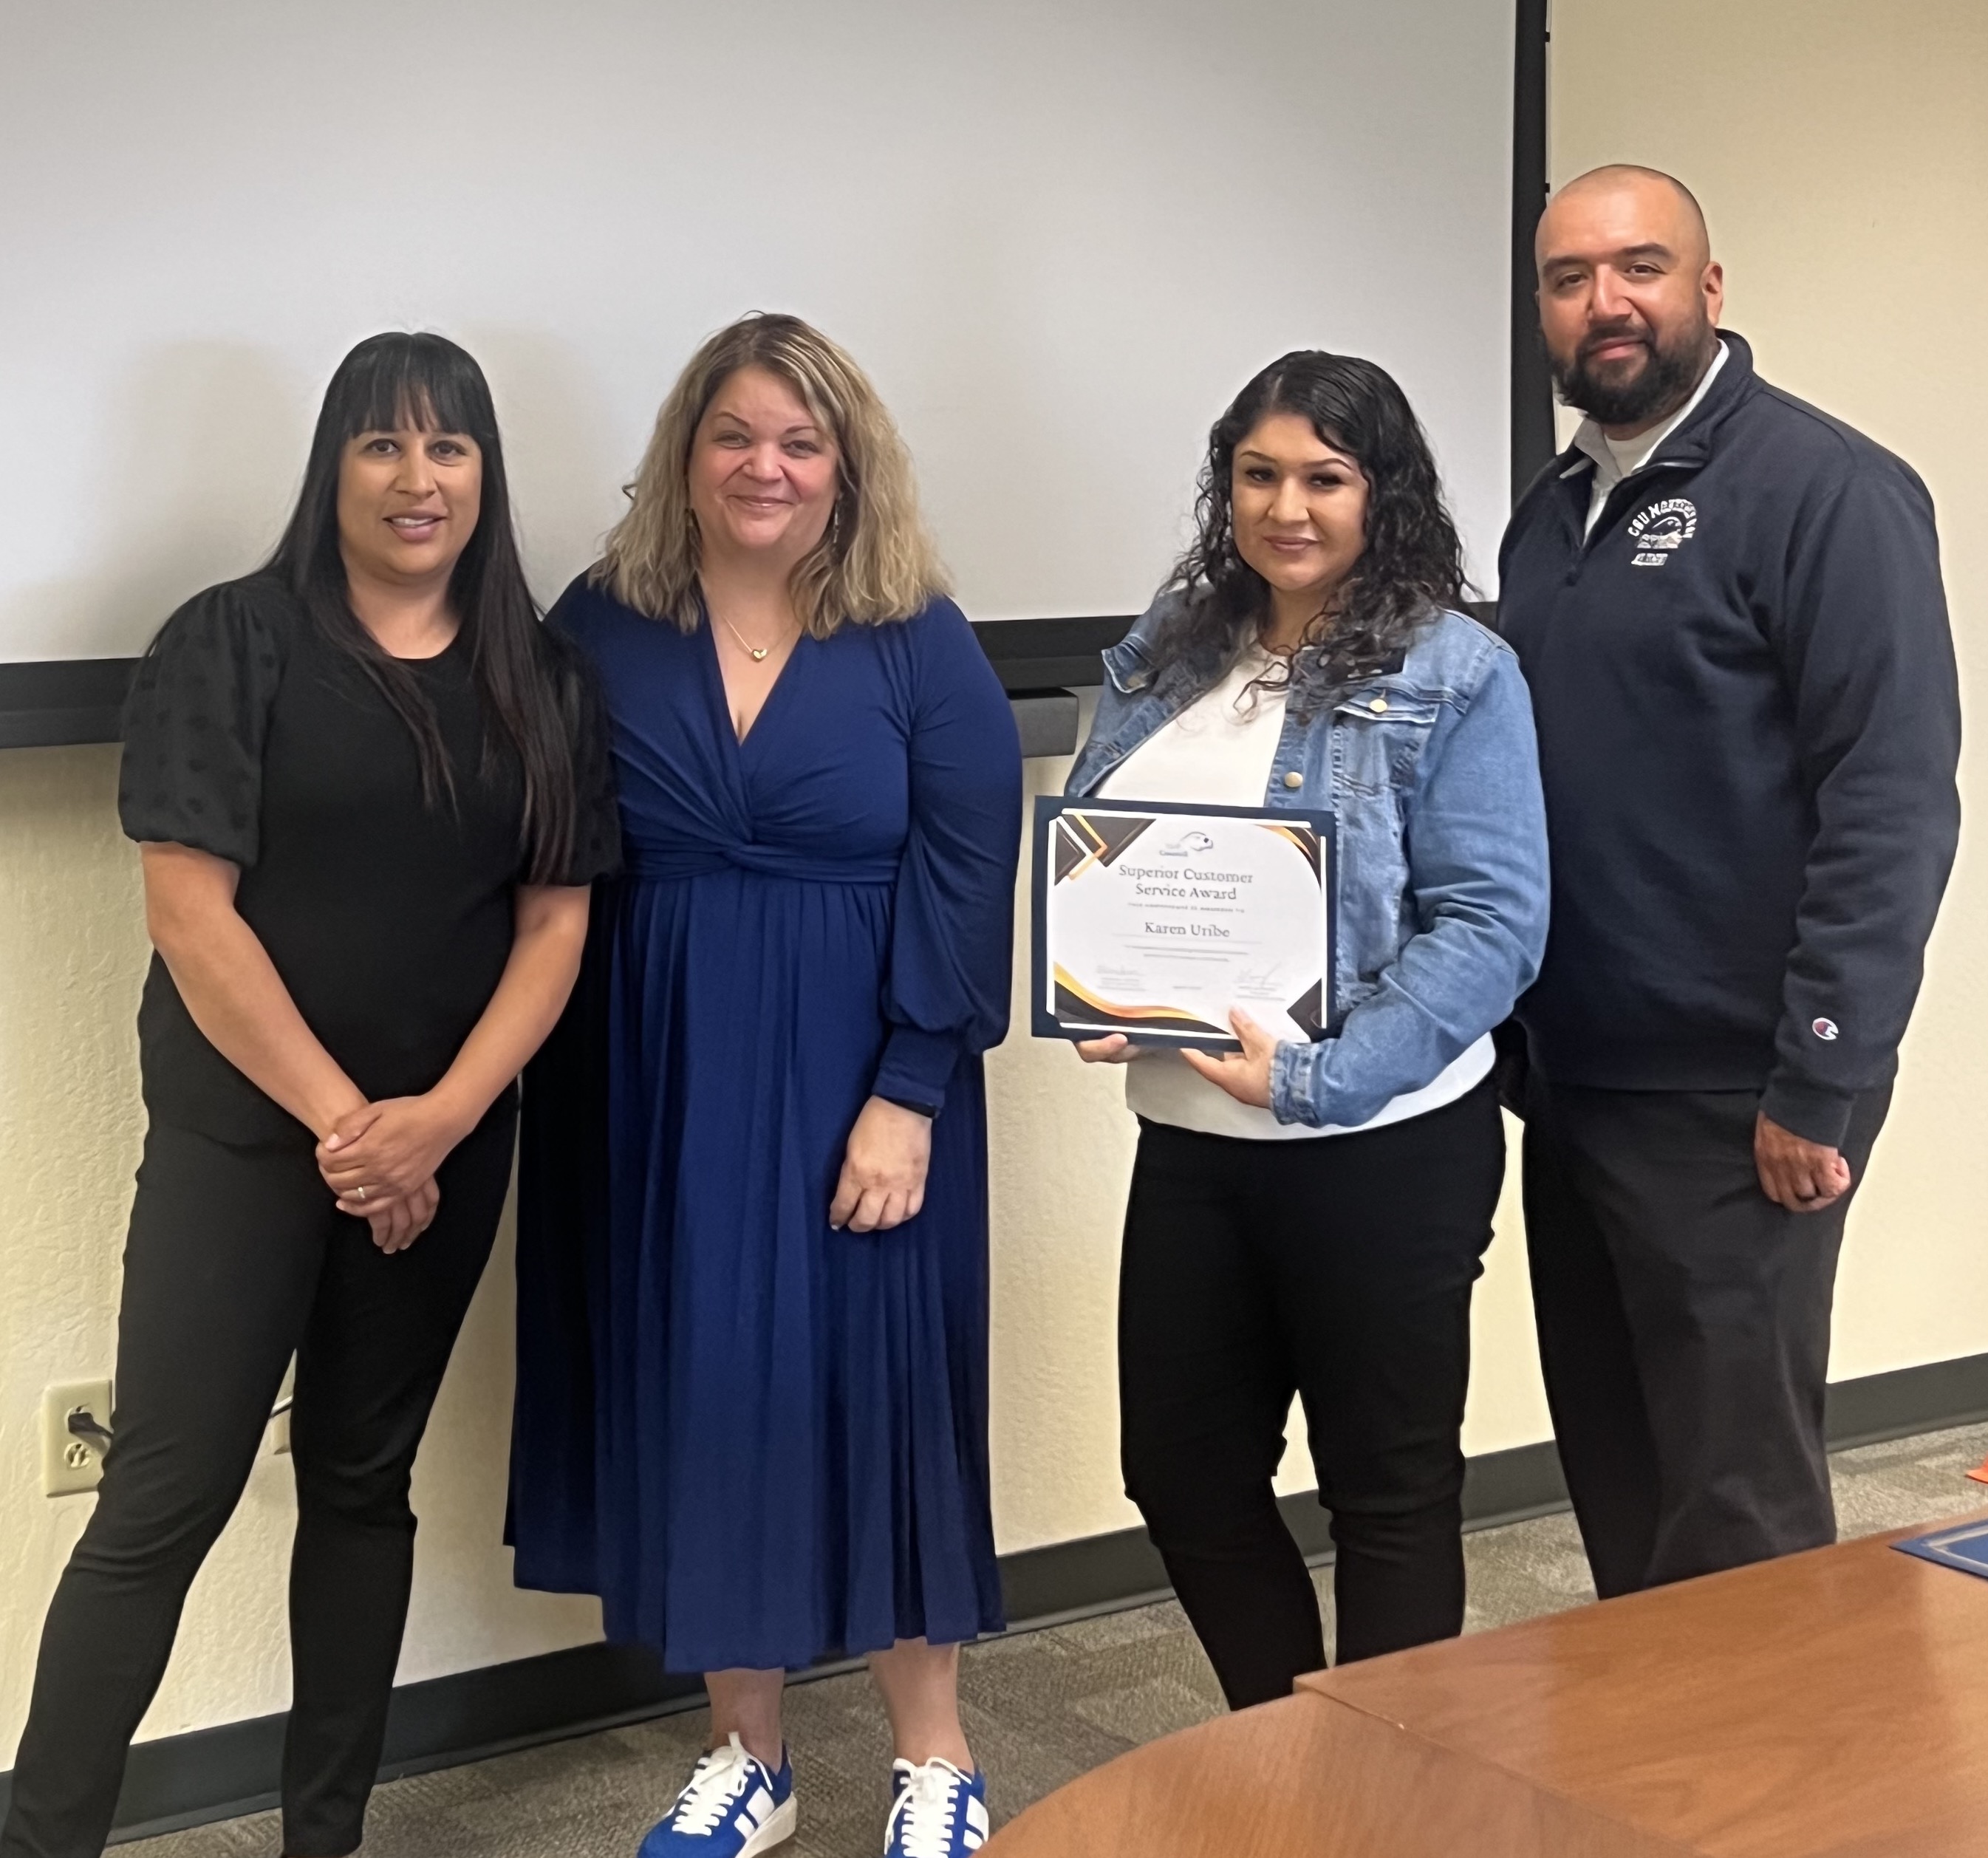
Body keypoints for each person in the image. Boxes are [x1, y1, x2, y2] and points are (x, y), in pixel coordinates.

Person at [0, 333, 618, 1858]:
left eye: (449, 448)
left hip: (446, 1152)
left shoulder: (540, 677)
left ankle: (323, 1839)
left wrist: (440, 1122)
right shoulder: (230, 640)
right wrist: (356, 1129)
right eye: (382, 445)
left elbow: (554, 927)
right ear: (333, 467)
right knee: (163, 1496)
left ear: (485, 474)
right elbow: (189, 912)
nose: (419, 480)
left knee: (360, 1483)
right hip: (249, 1143)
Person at [507, 312, 1021, 1858]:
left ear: (848, 465)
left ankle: (935, 1759)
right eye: (733, 435)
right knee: (706, 1387)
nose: (765, 466)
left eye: (801, 441)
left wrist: (910, 1091)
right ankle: (750, 1756)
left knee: (884, 1387)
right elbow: (528, 836)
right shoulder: (602, 622)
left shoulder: (914, 632)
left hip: (866, 1077)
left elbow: (966, 866)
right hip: (653, 1075)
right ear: (685, 455)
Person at [1499, 165, 1960, 1599]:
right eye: (1568, 278)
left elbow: (1890, 803)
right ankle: (1651, 1748)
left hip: (1740, 1100)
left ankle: (1787, 1755)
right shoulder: (1548, 512)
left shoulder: (1827, 492)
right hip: (1575, 1086)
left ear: (1706, 288)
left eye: (1638, 267)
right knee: (1622, 1482)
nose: (1604, 302)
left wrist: (1820, 1076)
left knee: (1738, 1515)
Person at [1063, 352, 1549, 1710]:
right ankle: (1290, 1745)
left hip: (1384, 1143)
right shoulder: (1176, 643)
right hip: (1192, 1140)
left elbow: (1494, 927)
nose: (1288, 508)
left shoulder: (1458, 671)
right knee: (1183, 1475)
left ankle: (1381, 1791)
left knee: (1386, 1489)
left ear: (1381, 494)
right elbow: (1111, 849)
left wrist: (1321, 1077)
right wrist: (1106, 990)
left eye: (1325, 478)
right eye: (1259, 475)